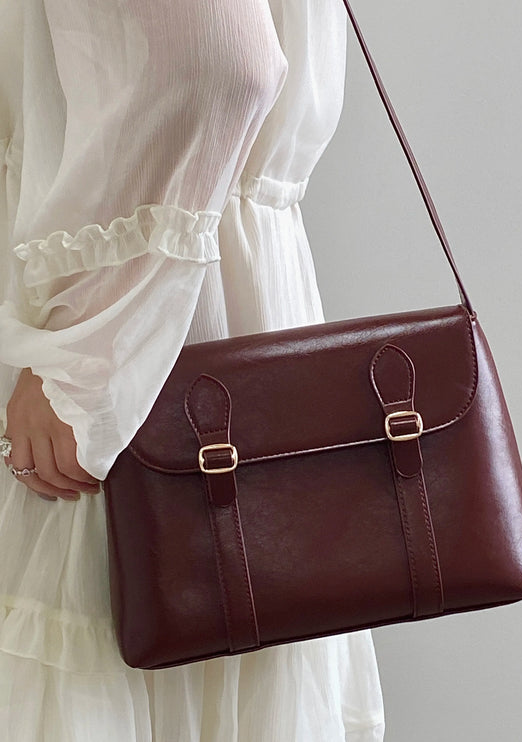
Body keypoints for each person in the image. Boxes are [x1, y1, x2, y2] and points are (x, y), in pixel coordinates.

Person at [0, 0, 386, 739]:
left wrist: (86, 352)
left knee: (109, 638)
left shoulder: (90, 349)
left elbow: (218, 65)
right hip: (172, 301)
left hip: (132, 337)